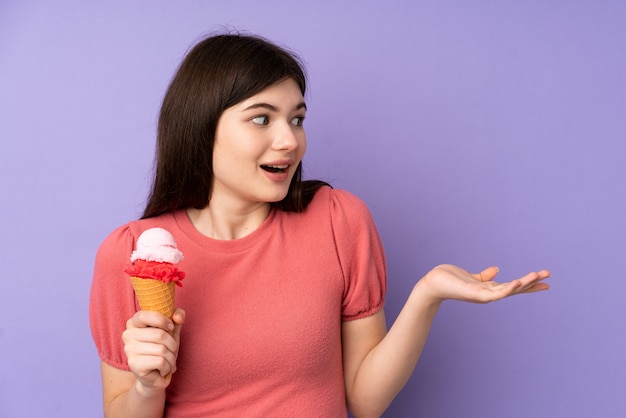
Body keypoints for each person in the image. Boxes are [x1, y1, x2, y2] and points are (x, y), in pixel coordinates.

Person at [89, 32, 550, 418]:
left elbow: (365, 400)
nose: (289, 140)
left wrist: (427, 295)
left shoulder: (338, 220)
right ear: (200, 127)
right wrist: (149, 388)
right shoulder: (129, 254)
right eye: (262, 119)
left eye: (297, 119)